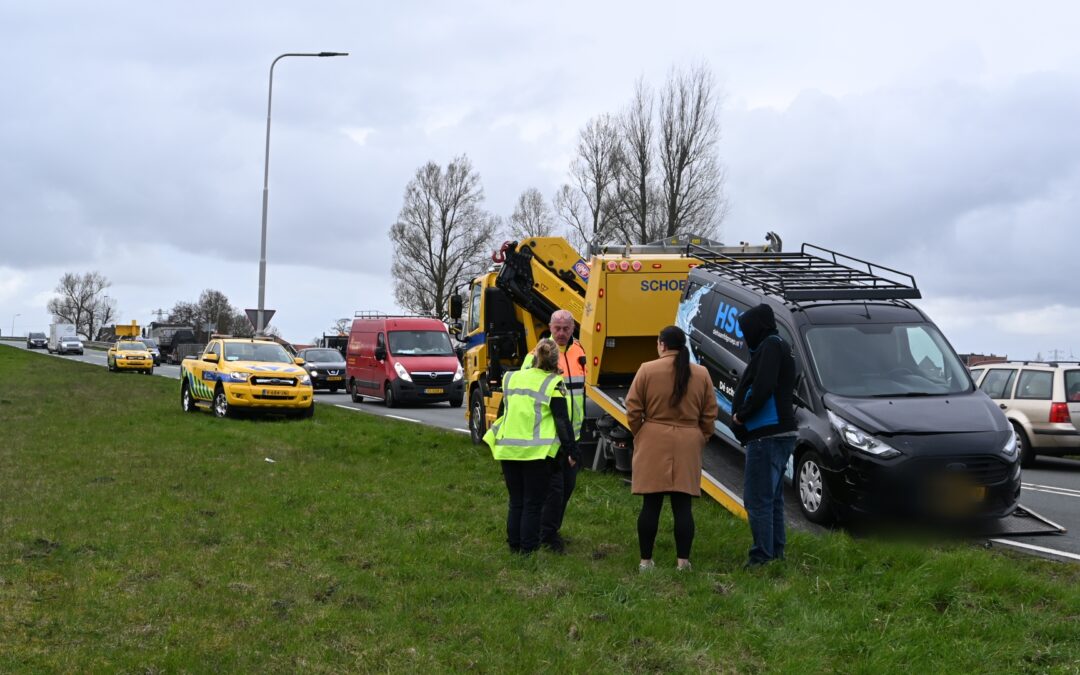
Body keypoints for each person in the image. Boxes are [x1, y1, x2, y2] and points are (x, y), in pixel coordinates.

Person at [625, 325, 718, 572]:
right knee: (683, 506)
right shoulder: (701, 374)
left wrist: (641, 432)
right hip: (688, 441)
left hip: (652, 439)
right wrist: (701, 437)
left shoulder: (647, 369)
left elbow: (633, 408)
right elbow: (710, 413)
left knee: (650, 504)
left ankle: (645, 561)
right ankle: (683, 562)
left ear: (662, 345)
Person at [484, 338, 580, 555]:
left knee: (516, 501)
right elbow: (562, 421)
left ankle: (514, 546)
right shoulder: (553, 383)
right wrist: (572, 451)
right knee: (533, 504)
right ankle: (528, 551)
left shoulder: (512, 377)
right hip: (536, 453)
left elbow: (503, 412)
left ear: (535, 356)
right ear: (556, 361)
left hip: (508, 449)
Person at [731, 303, 797, 568]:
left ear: (756, 327)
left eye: (746, 330)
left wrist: (742, 414)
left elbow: (763, 386)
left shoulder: (770, 346)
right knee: (772, 499)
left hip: (767, 434)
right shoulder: (780, 346)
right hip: (780, 432)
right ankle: (776, 554)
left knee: (757, 499)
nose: (745, 336)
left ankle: (761, 558)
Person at [522, 309, 587, 553]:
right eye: (557, 328)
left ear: (573, 328)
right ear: (550, 327)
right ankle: (546, 535)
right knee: (553, 491)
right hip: (548, 437)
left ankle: (550, 530)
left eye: (566, 328)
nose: (561, 333)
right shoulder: (537, 354)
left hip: (573, 435)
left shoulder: (579, 351)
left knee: (567, 488)